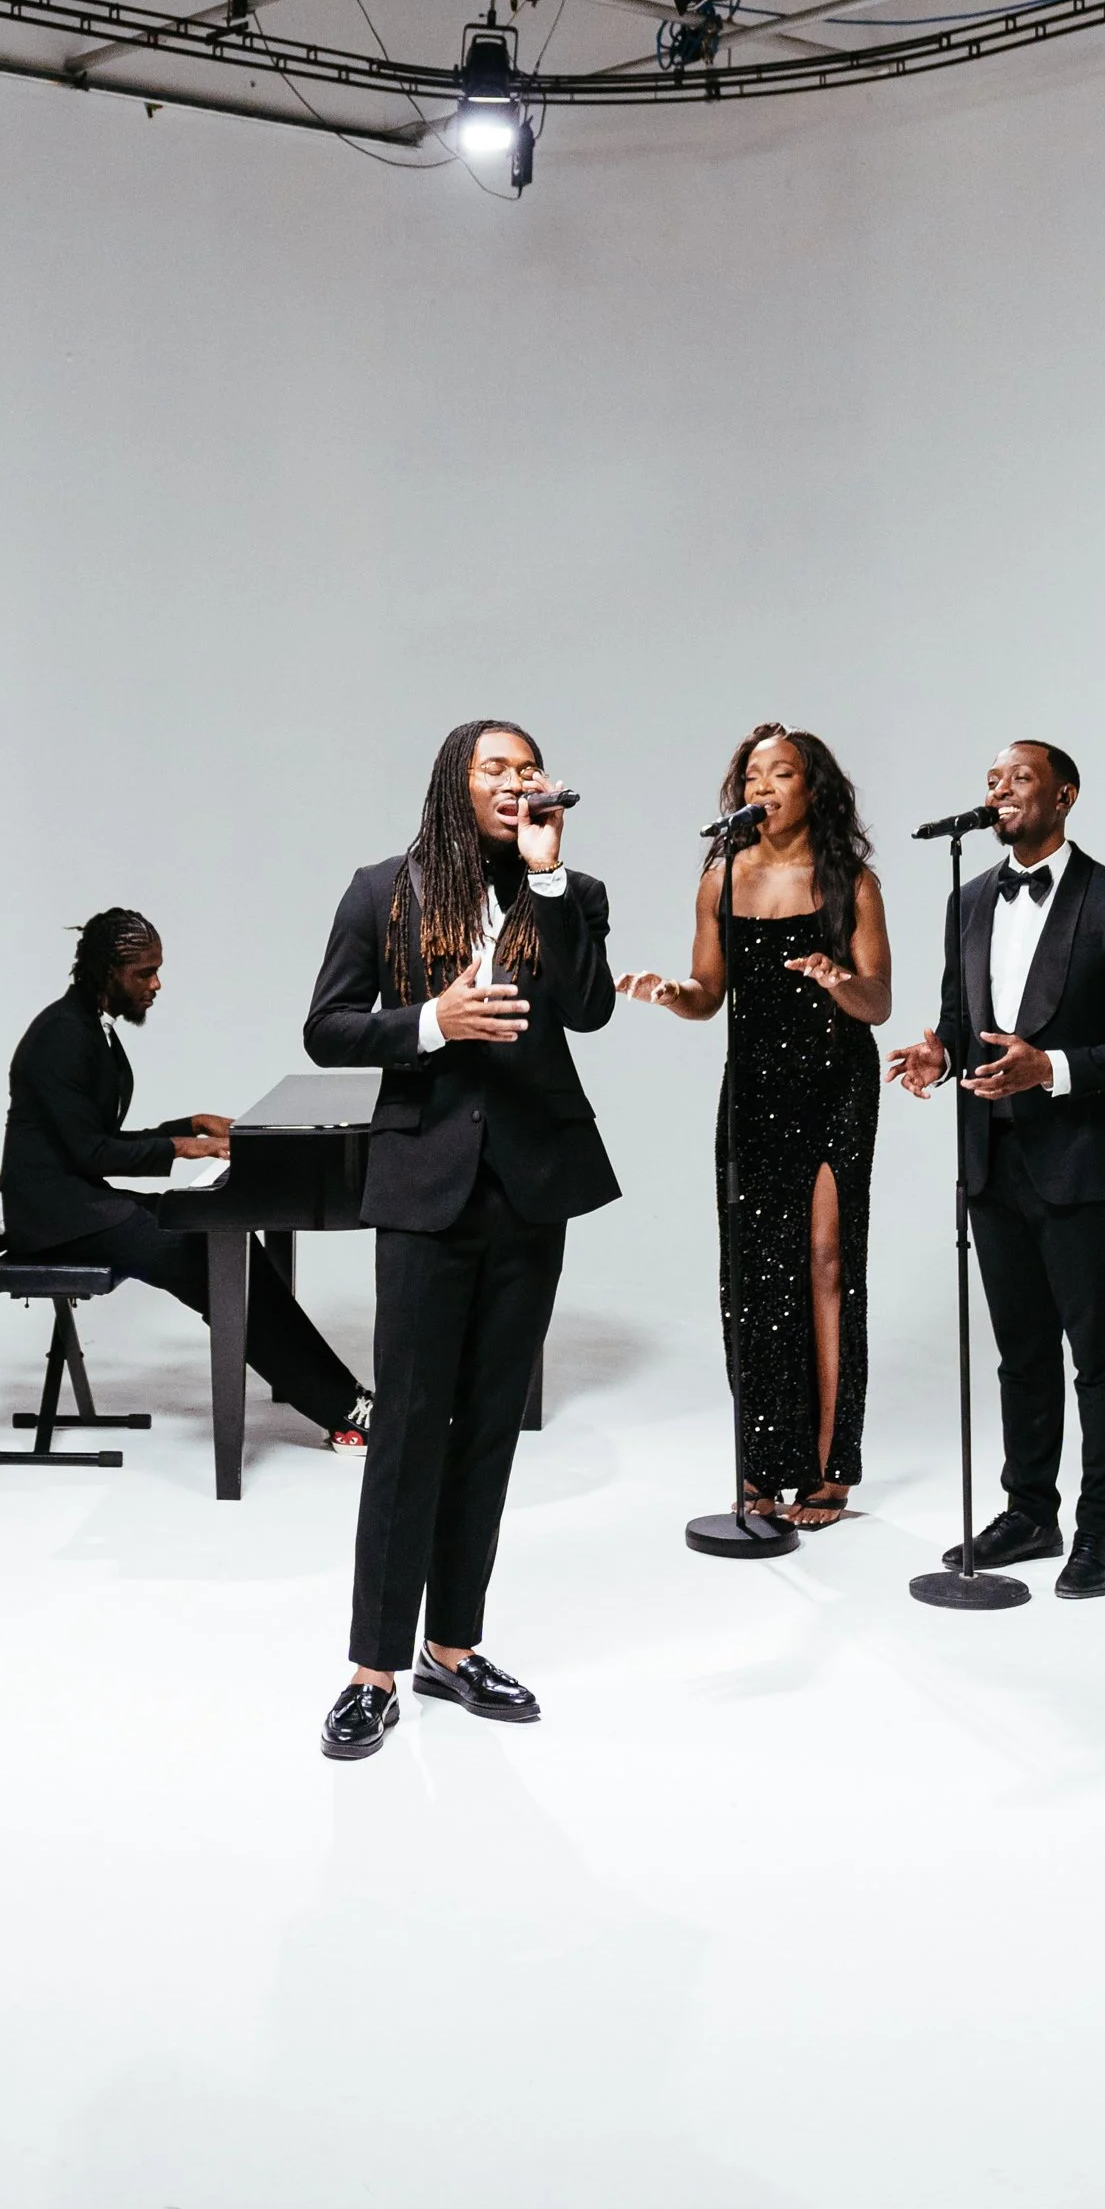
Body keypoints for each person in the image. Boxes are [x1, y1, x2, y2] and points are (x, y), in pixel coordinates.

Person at [304, 720, 617, 1760]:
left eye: (528, 770)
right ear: (455, 781)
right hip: (426, 1183)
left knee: (488, 1424)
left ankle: (452, 1648)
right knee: (406, 1429)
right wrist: (431, 1021)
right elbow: (328, 1027)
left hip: (530, 1186)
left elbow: (588, 1006)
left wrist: (552, 879)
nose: (517, 782)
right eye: (496, 768)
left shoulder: (568, 891)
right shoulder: (379, 890)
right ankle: (371, 1670)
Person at [886, 741, 1105, 1597]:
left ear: (1066, 796)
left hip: (1081, 1159)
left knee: (1098, 1350)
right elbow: (954, 1014)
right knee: (1019, 1351)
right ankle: (1029, 1511)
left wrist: (1052, 1067)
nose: (1000, 791)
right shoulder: (968, 898)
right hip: (990, 1156)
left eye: (1019, 779)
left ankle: (1104, 1532)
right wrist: (934, 1055)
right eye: (990, 782)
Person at [619, 723, 889, 1527]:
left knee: (827, 1264)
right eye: (751, 776)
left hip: (836, 1082)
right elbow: (710, 995)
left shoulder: (851, 882)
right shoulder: (721, 877)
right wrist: (673, 995)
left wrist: (840, 979)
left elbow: (879, 1003)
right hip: (755, 1092)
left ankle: (831, 1468)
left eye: (781, 774)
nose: (762, 787)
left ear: (815, 790)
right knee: (754, 1277)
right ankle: (763, 1464)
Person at [0, 908, 370, 1445]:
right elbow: (92, 1151)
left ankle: (342, 1396)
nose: (155, 984)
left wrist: (188, 1125)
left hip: (78, 1203)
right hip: (50, 1217)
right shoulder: (60, 1037)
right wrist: (186, 1146)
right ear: (105, 971)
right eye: (143, 973)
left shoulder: (89, 1028)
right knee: (208, 1256)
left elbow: (93, 1139)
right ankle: (343, 1409)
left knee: (228, 1247)